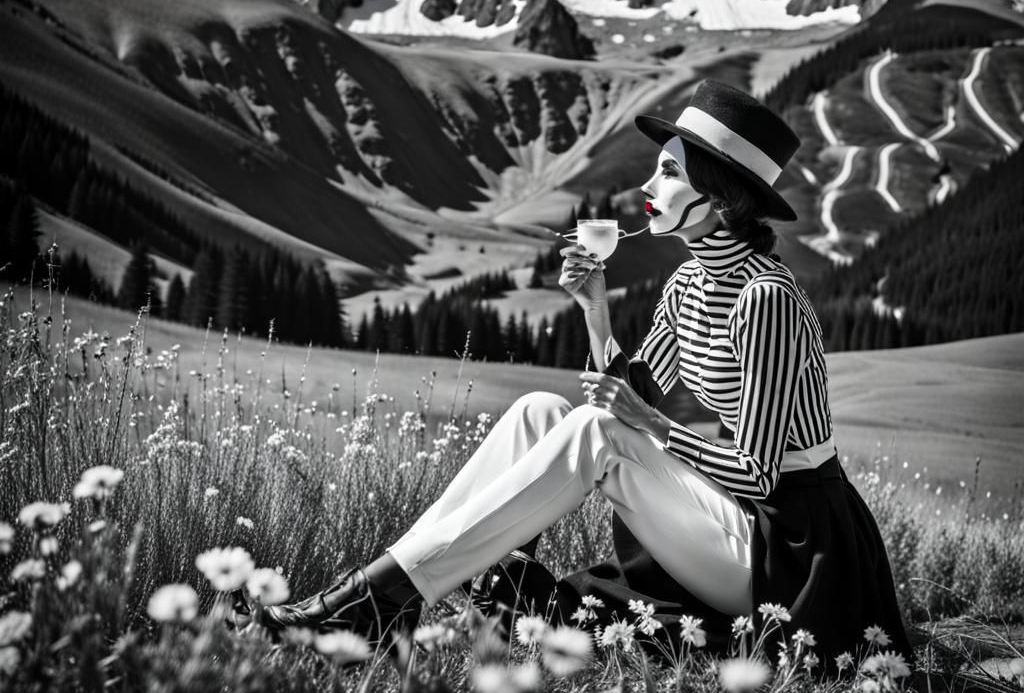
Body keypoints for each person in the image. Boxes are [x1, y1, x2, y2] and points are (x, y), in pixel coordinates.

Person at [259, 79, 912, 666]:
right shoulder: (689, 284)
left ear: (718, 198)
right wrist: (595, 311)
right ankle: (402, 593)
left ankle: (373, 604)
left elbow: (756, 472)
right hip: (730, 520)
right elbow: (629, 392)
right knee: (539, 411)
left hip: (789, 552)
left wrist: (649, 421)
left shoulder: (766, 299)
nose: (647, 188)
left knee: (596, 432)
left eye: (668, 173)